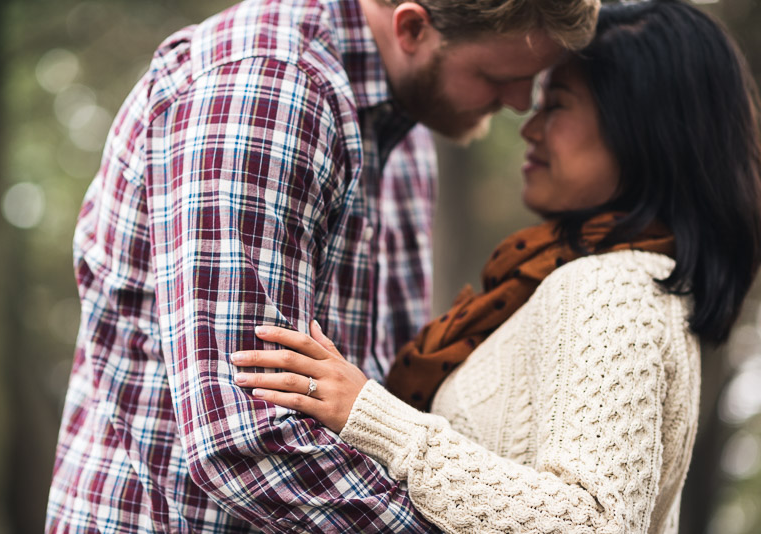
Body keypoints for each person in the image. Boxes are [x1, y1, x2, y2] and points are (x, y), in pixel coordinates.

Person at [45, 0, 602, 532]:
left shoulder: (404, 137)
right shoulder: (266, 92)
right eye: (496, 75)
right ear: (411, 28)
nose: (520, 101)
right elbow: (243, 440)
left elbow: (387, 398)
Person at [231, 1, 761, 532]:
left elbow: (594, 522)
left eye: (556, 104)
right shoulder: (583, 276)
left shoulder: (611, 287)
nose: (528, 125)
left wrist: (374, 417)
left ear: (646, 133)